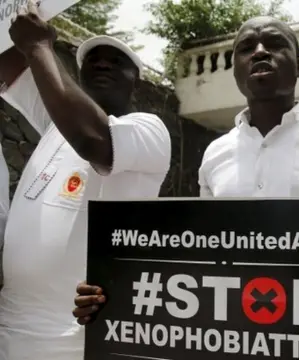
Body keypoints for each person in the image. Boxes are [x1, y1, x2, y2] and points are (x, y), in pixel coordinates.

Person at [73, 16, 299, 360]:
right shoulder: (215, 154)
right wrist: (112, 294)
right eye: (247, 48)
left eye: (274, 44)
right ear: (234, 70)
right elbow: (201, 255)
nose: (260, 52)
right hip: (233, 341)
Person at [0, 2, 171, 359]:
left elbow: (91, 139)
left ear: (135, 80)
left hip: (73, 343)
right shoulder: (55, 125)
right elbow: (8, 65)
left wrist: (39, 46)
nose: (103, 63)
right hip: (10, 328)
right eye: (92, 60)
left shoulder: (149, 130)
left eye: (116, 61)